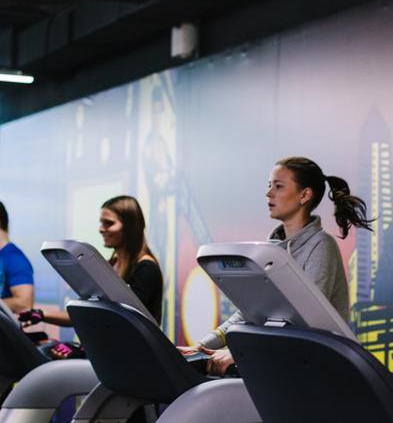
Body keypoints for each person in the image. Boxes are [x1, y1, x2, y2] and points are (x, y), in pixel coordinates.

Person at [182, 156, 372, 375]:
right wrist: (202, 346)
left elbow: (305, 321)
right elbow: (248, 312)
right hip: (285, 364)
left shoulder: (321, 246)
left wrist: (241, 353)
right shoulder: (271, 250)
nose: (269, 193)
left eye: (278, 186)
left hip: (319, 369)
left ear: (304, 195)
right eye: (269, 186)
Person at [19, 195, 163, 359]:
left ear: (130, 227)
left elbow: (126, 324)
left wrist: (84, 351)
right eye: (101, 223)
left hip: (134, 357)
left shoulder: (146, 269)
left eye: (109, 223)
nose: (101, 229)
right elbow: (91, 313)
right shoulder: (112, 265)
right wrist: (41, 314)